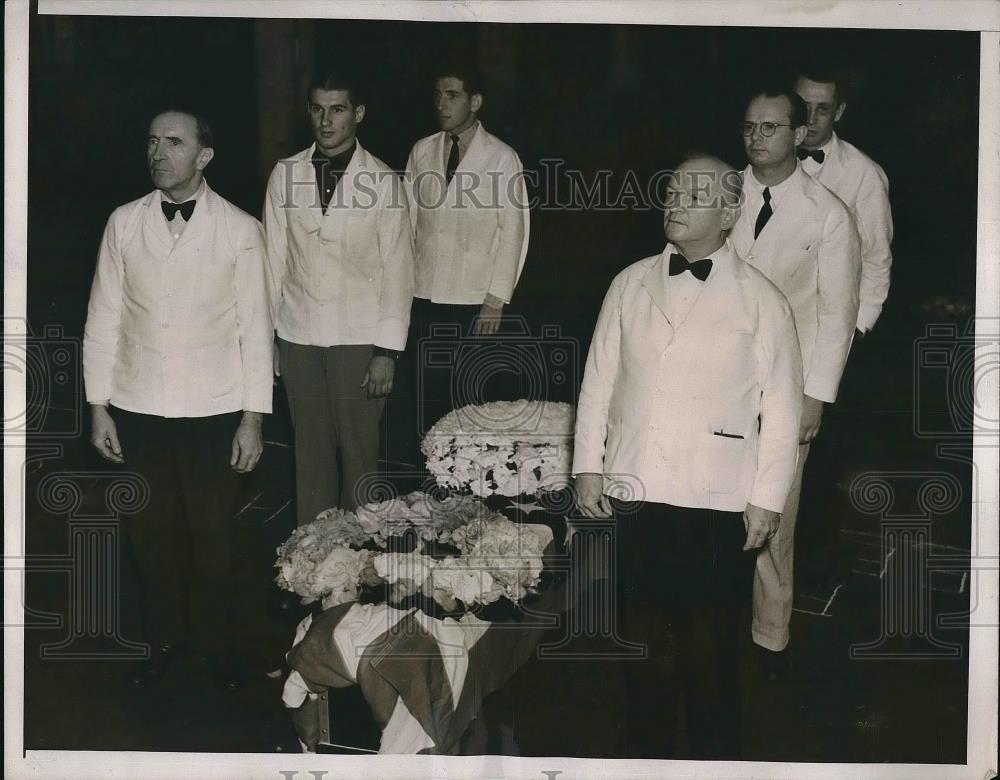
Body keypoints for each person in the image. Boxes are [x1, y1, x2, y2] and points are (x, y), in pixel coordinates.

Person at [574, 155, 803, 758]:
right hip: (636, 488)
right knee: (642, 646)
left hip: (715, 498)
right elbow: (598, 379)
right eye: (671, 190)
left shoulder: (763, 301)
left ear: (730, 213)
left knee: (708, 657)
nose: (674, 203)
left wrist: (766, 499)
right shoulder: (629, 283)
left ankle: (714, 762)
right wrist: (588, 467)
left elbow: (781, 410)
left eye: (694, 195)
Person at [84, 108, 273, 689]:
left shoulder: (240, 229)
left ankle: (218, 650)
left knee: (214, 539)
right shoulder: (123, 222)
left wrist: (253, 419)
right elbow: (103, 316)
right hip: (140, 408)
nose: (158, 152)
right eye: (152, 142)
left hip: (214, 410)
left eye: (173, 142)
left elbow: (256, 327)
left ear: (204, 156)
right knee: (151, 537)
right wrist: (99, 407)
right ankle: (165, 642)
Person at [730, 84, 861, 676]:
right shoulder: (720, 192)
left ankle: (770, 634)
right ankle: (714, 620)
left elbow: (838, 313)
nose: (758, 138)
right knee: (713, 501)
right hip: (717, 380)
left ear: (799, 133)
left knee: (773, 513)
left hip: (786, 387)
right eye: (750, 127)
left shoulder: (830, 214)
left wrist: (815, 397)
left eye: (771, 127)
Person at [263, 72, 415, 523]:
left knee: (359, 456)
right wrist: (268, 338)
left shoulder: (385, 181)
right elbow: (272, 262)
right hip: (299, 335)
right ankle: (311, 564)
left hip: (359, 339)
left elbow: (399, 272)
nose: (325, 121)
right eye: (317, 109)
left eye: (338, 109)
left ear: (358, 114)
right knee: (308, 456)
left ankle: (361, 559)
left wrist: (387, 351)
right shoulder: (284, 174)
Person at [402, 62, 530, 445]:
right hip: (425, 295)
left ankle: (467, 496)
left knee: (468, 400)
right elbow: (408, 223)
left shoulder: (502, 158)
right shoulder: (422, 151)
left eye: (452, 95)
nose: (441, 103)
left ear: (475, 101)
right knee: (426, 398)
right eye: (438, 94)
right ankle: (429, 489)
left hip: (474, 301)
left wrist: (496, 299)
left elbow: (514, 232)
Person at [795, 66, 893, 336]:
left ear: (838, 112)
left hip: (829, 325)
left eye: (823, 109)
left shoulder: (864, 174)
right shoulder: (766, 162)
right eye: (803, 107)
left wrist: (861, 323)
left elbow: (876, 254)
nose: (810, 119)